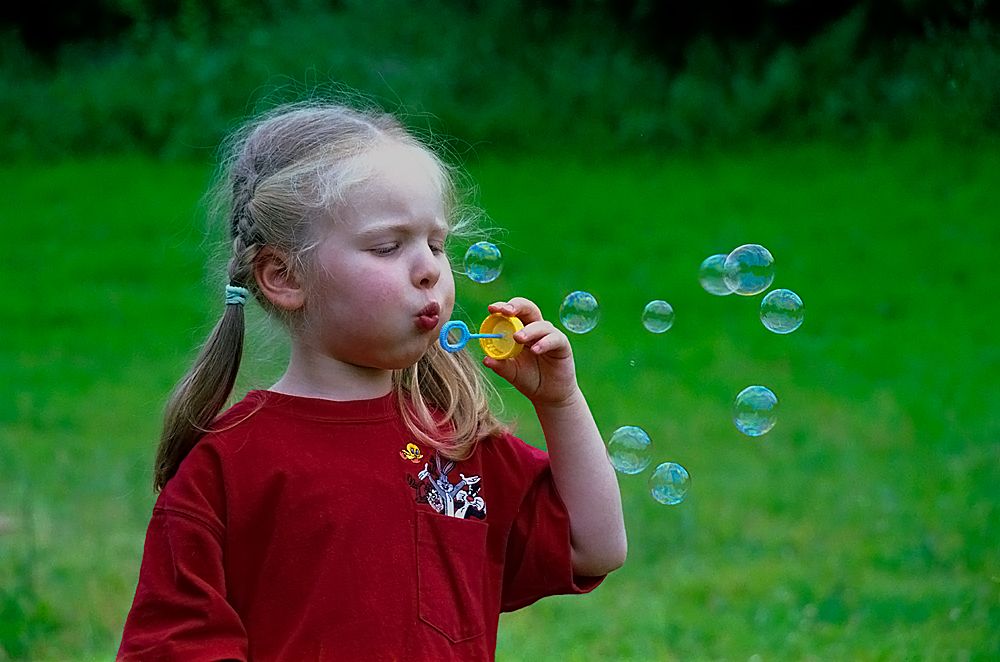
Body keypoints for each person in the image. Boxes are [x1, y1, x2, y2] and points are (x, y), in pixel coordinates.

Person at [118, 101, 627, 661]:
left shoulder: (451, 444)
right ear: (284, 276)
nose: (429, 268)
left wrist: (560, 401)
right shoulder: (228, 464)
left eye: (436, 244)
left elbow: (594, 546)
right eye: (388, 247)